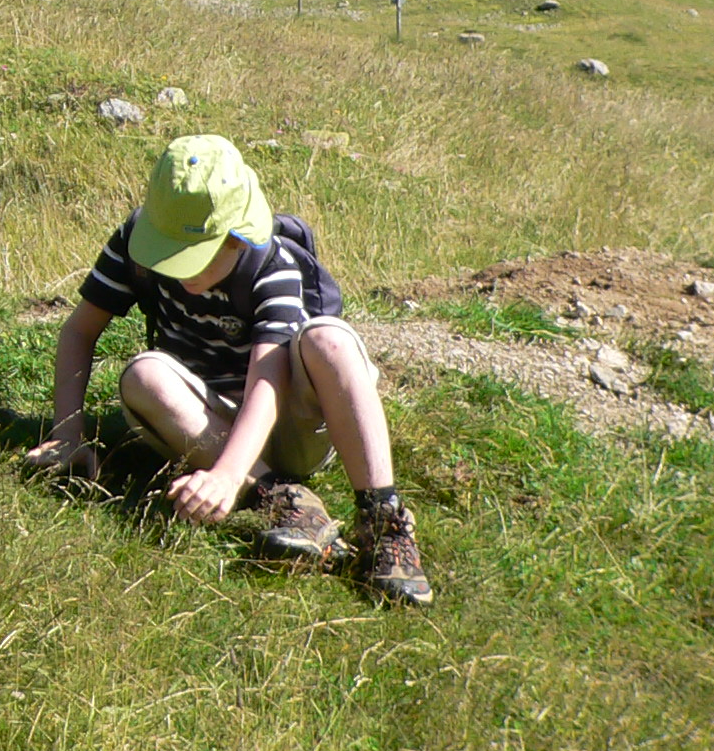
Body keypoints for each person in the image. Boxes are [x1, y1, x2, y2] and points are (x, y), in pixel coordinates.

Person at [25, 134, 431, 606]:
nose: (179, 271)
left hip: (289, 424)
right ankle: (283, 500)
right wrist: (67, 433)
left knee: (329, 339)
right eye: (170, 251)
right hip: (206, 420)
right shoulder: (133, 245)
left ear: (238, 236)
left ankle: (383, 521)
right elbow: (79, 332)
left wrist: (226, 474)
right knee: (143, 374)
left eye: (194, 256)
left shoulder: (272, 264)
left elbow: (269, 377)